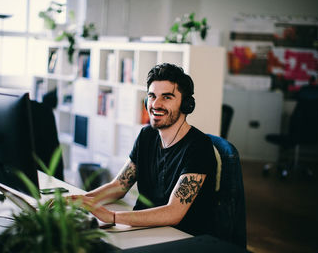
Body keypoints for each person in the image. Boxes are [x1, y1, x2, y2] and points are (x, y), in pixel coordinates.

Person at [69, 63, 218, 236]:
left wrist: (113, 217)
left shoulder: (199, 146)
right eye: (152, 96)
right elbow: (119, 186)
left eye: (167, 97)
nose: (156, 104)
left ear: (186, 105)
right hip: (142, 230)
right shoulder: (147, 135)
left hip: (179, 237)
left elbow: (174, 213)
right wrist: (82, 201)